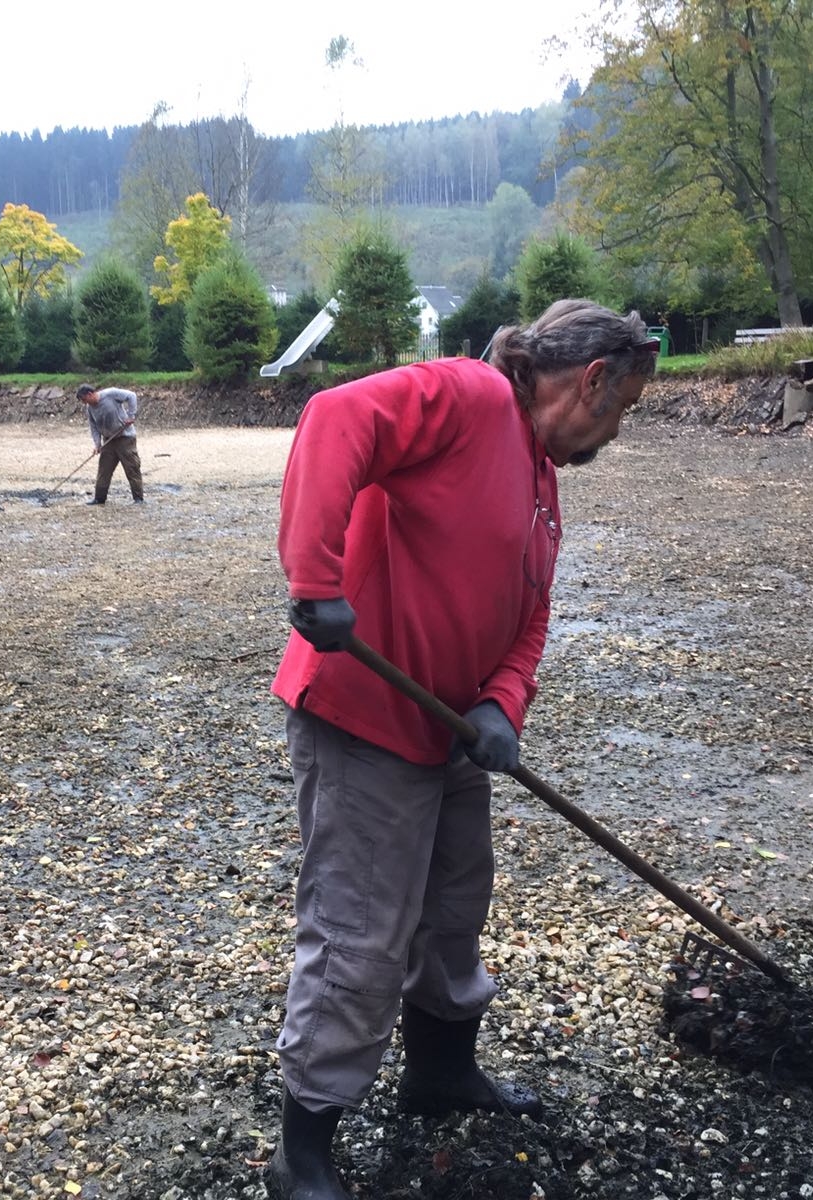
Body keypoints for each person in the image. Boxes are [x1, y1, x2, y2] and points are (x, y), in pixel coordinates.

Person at [264, 299, 660, 1200]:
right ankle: (303, 1151)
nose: (616, 431)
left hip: (450, 734)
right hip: (365, 718)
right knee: (359, 931)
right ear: (592, 379)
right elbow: (334, 418)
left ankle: (441, 1075)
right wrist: (316, 580)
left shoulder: (542, 479)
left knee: (452, 910)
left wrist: (502, 705)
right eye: (624, 408)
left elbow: (531, 616)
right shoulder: (472, 396)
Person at [76, 384, 144, 505]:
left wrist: (131, 415)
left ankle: (138, 498)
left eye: (85, 400)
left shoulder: (111, 394)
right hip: (108, 441)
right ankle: (99, 498)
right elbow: (94, 427)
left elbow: (131, 396)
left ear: (90, 394)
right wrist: (97, 444)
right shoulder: (90, 409)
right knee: (104, 470)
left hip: (125, 438)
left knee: (132, 468)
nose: (85, 403)